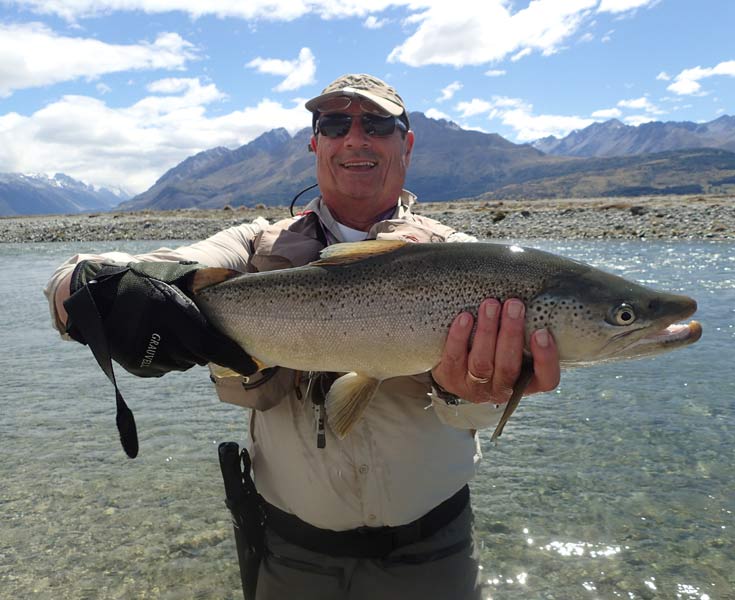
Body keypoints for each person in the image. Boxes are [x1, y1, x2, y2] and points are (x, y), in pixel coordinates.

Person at [45, 73, 560, 599]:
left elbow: (473, 417)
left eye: (378, 124)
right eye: (336, 124)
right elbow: (95, 276)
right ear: (316, 143)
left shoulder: (464, 262)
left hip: (433, 553)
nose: (355, 138)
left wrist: (474, 392)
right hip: (293, 557)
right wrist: (86, 290)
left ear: (405, 143)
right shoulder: (251, 246)